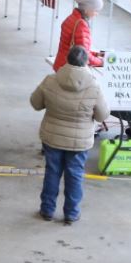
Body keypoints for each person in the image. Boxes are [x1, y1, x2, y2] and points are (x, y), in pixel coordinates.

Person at [30, 45, 110, 224]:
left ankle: (47, 210)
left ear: (67, 60)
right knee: (74, 175)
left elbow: (35, 104)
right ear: (86, 62)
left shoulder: (50, 80)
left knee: (52, 172)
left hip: (52, 137)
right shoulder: (94, 87)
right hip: (79, 142)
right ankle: (71, 214)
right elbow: (102, 116)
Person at [53, 0, 104, 72]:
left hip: (61, 64)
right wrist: (101, 62)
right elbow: (84, 54)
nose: (96, 14)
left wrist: (96, 54)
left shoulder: (71, 18)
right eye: (96, 10)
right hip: (70, 70)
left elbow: (79, 49)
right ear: (87, 9)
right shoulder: (81, 26)